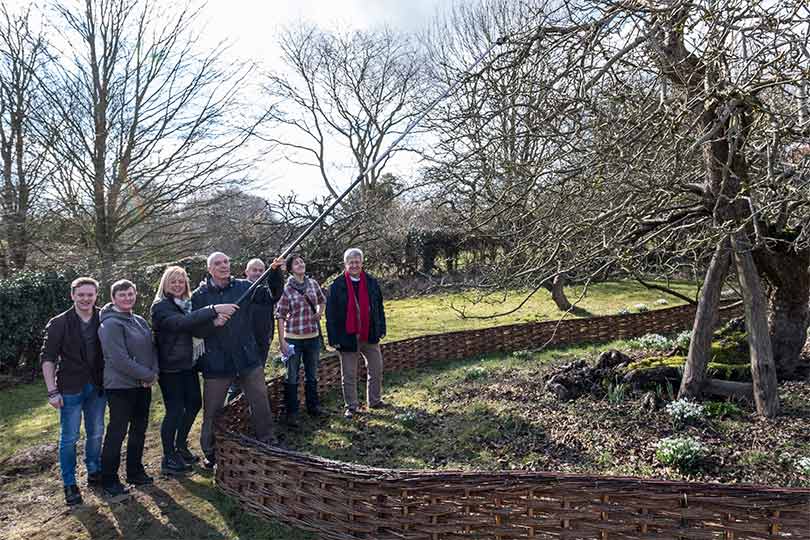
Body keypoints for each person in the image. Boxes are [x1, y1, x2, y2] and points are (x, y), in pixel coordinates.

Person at [192, 251, 283, 468]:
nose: (224, 266)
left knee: (260, 401)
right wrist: (212, 322)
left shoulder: (244, 287)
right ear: (209, 269)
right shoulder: (200, 295)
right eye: (218, 263)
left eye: (226, 261)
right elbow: (194, 328)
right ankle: (210, 452)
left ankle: (267, 441)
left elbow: (272, 296)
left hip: (247, 358)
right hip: (217, 363)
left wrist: (275, 274)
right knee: (212, 410)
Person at [151, 266, 239, 475]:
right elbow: (180, 324)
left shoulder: (185, 305)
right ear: (165, 283)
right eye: (173, 281)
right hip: (170, 367)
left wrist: (214, 324)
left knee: (193, 405)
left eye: (181, 281)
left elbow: (194, 329)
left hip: (187, 364)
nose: (178, 285)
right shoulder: (161, 307)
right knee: (174, 410)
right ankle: (169, 457)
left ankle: (181, 446)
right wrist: (214, 309)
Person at [40, 277, 106, 506]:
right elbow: (47, 359)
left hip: (97, 387)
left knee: (96, 432)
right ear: (73, 295)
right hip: (69, 388)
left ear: (96, 295)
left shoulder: (104, 317)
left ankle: (94, 470)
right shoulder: (59, 323)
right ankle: (69, 483)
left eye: (90, 294)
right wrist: (51, 391)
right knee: (69, 438)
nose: (86, 298)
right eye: (81, 294)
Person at [98, 279, 159, 496]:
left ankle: (135, 471)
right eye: (122, 295)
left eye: (130, 294)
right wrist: (147, 375)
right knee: (117, 432)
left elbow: (153, 349)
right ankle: (109, 479)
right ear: (113, 298)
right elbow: (118, 359)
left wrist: (153, 374)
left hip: (143, 386)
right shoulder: (110, 324)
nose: (127, 298)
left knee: (139, 430)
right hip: (120, 387)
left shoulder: (139, 320)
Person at [326, 248, 387, 419]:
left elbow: (379, 307)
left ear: (362, 263)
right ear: (345, 264)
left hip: (370, 333)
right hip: (347, 336)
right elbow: (330, 315)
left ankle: (374, 401)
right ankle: (351, 406)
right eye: (351, 262)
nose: (354, 265)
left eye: (357, 261)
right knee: (349, 374)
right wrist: (334, 339)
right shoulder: (336, 285)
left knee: (376, 369)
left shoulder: (371, 282)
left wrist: (382, 328)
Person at [275, 253, 326, 427]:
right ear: (289, 269)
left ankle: (313, 407)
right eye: (296, 263)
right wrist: (282, 342)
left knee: (312, 374)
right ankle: (292, 413)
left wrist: (320, 312)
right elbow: (280, 316)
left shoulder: (312, 284)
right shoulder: (285, 289)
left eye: (302, 262)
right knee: (292, 376)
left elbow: (322, 300)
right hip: (293, 339)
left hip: (312, 337)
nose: (300, 264)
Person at [226, 258, 283, 402]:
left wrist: (275, 271)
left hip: (261, 342)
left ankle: (249, 414)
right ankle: (229, 416)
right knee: (237, 383)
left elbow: (275, 294)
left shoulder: (263, 292)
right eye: (254, 270)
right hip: (240, 344)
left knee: (255, 381)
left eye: (261, 270)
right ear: (246, 272)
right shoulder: (236, 289)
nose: (257, 273)